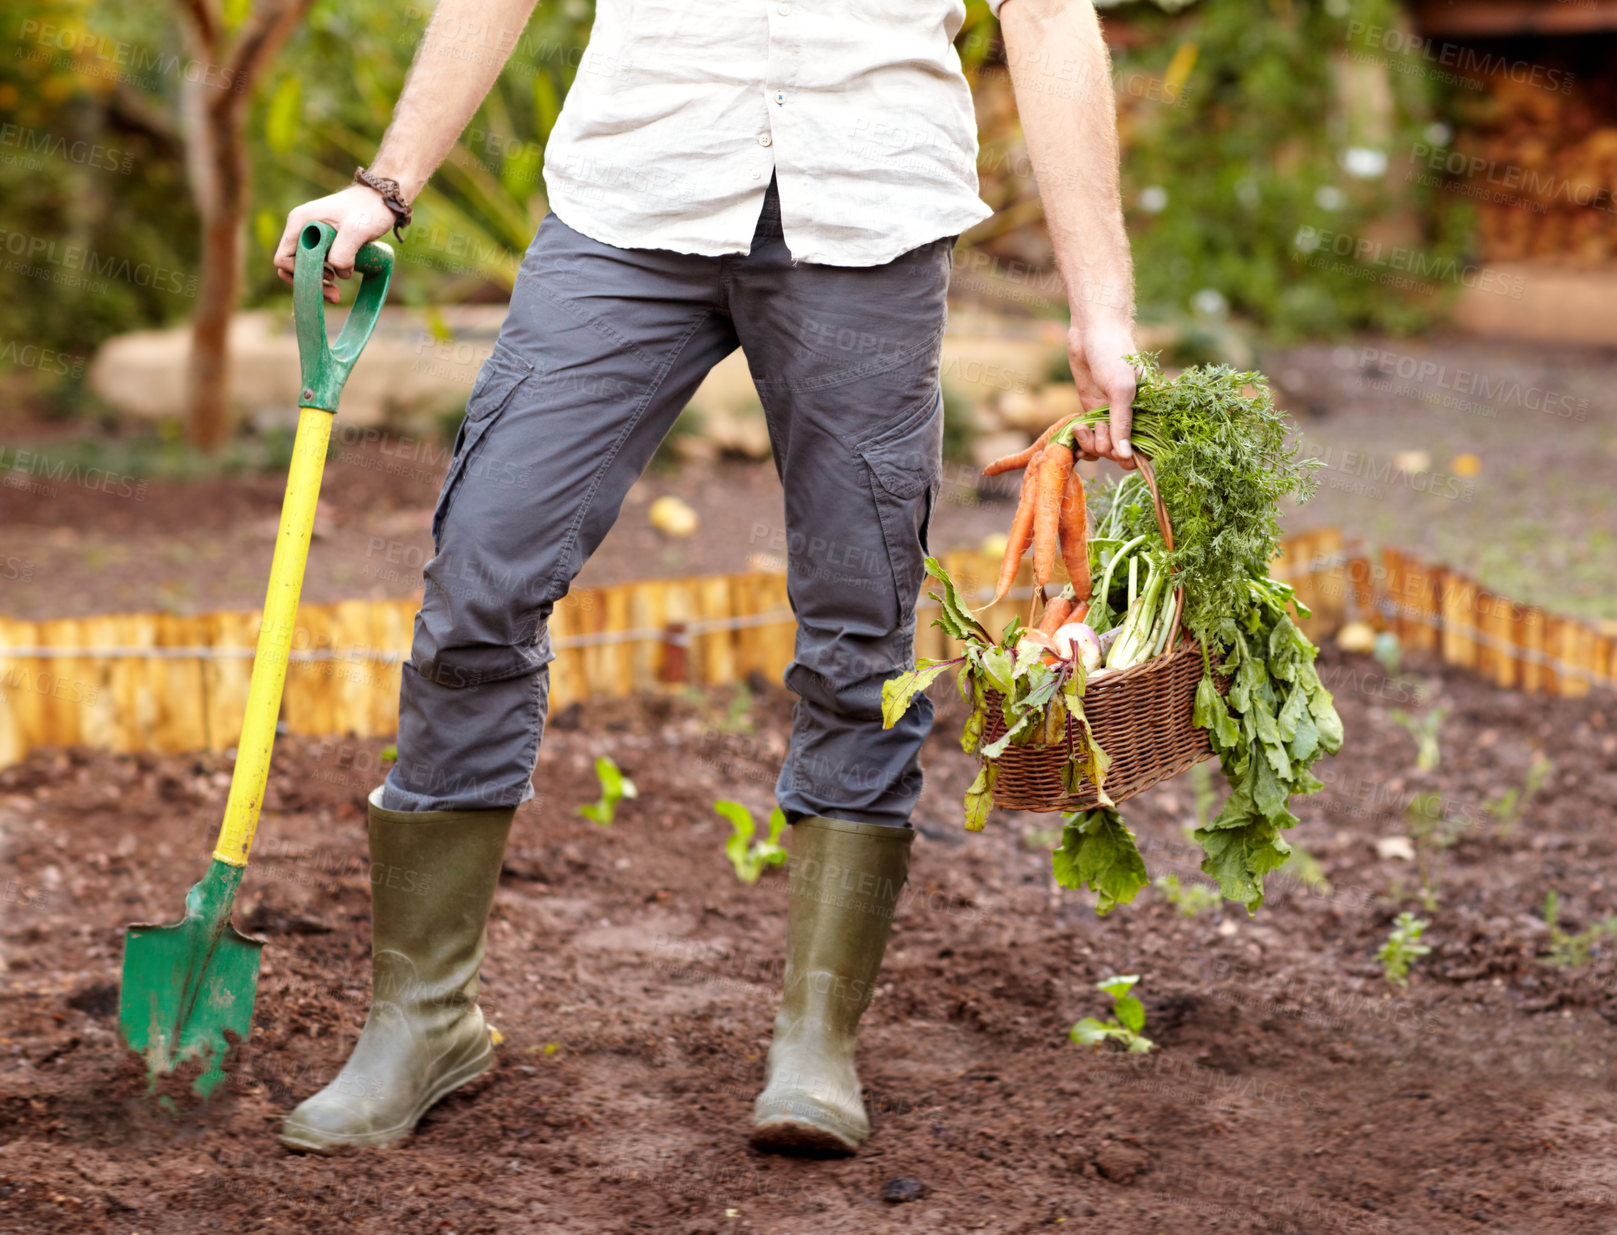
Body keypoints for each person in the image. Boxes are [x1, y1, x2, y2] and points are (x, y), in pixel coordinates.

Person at [271, 0, 1138, 1157]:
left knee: (861, 630)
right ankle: (420, 1019)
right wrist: (383, 190)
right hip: (634, 197)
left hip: (869, 214)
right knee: (482, 576)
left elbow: (1045, 13)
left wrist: (1102, 301)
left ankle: (816, 1035)